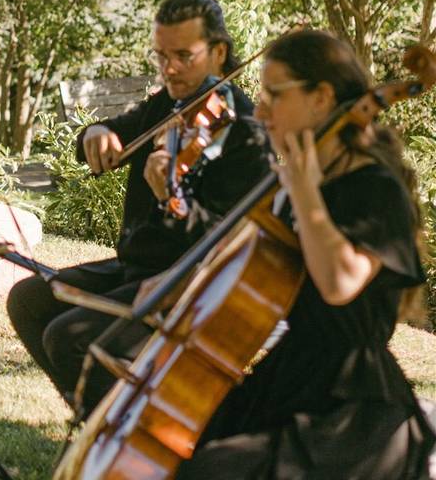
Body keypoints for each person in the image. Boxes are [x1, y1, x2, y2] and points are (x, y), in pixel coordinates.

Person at [176, 29, 436, 479]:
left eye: (274, 95)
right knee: (189, 453)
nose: (259, 111)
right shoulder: (306, 181)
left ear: (321, 99)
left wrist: (304, 193)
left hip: (353, 408)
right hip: (293, 373)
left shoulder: (375, 189)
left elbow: (340, 283)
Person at [6, 0, 270, 414]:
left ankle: (121, 438)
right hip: (137, 266)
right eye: (161, 55)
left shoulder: (245, 133)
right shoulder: (170, 104)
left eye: (184, 55)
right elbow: (119, 129)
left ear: (219, 53)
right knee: (29, 298)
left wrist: (173, 197)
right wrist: (97, 132)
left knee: (68, 336)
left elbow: (228, 240)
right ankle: (97, 422)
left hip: (185, 284)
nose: (169, 69)